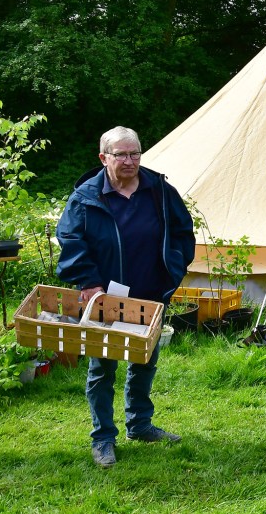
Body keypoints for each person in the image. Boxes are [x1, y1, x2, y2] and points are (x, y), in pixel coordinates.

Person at [56, 126, 195, 469]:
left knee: (144, 361)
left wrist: (173, 268)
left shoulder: (159, 190)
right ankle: (103, 437)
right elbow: (71, 240)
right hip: (105, 297)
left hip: (151, 294)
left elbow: (183, 230)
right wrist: (89, 282)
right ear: (104, 158)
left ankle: (140, 424)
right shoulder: (86, 197)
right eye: (121, 155)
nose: (130, 161)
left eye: (135, 153)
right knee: (102, 368)